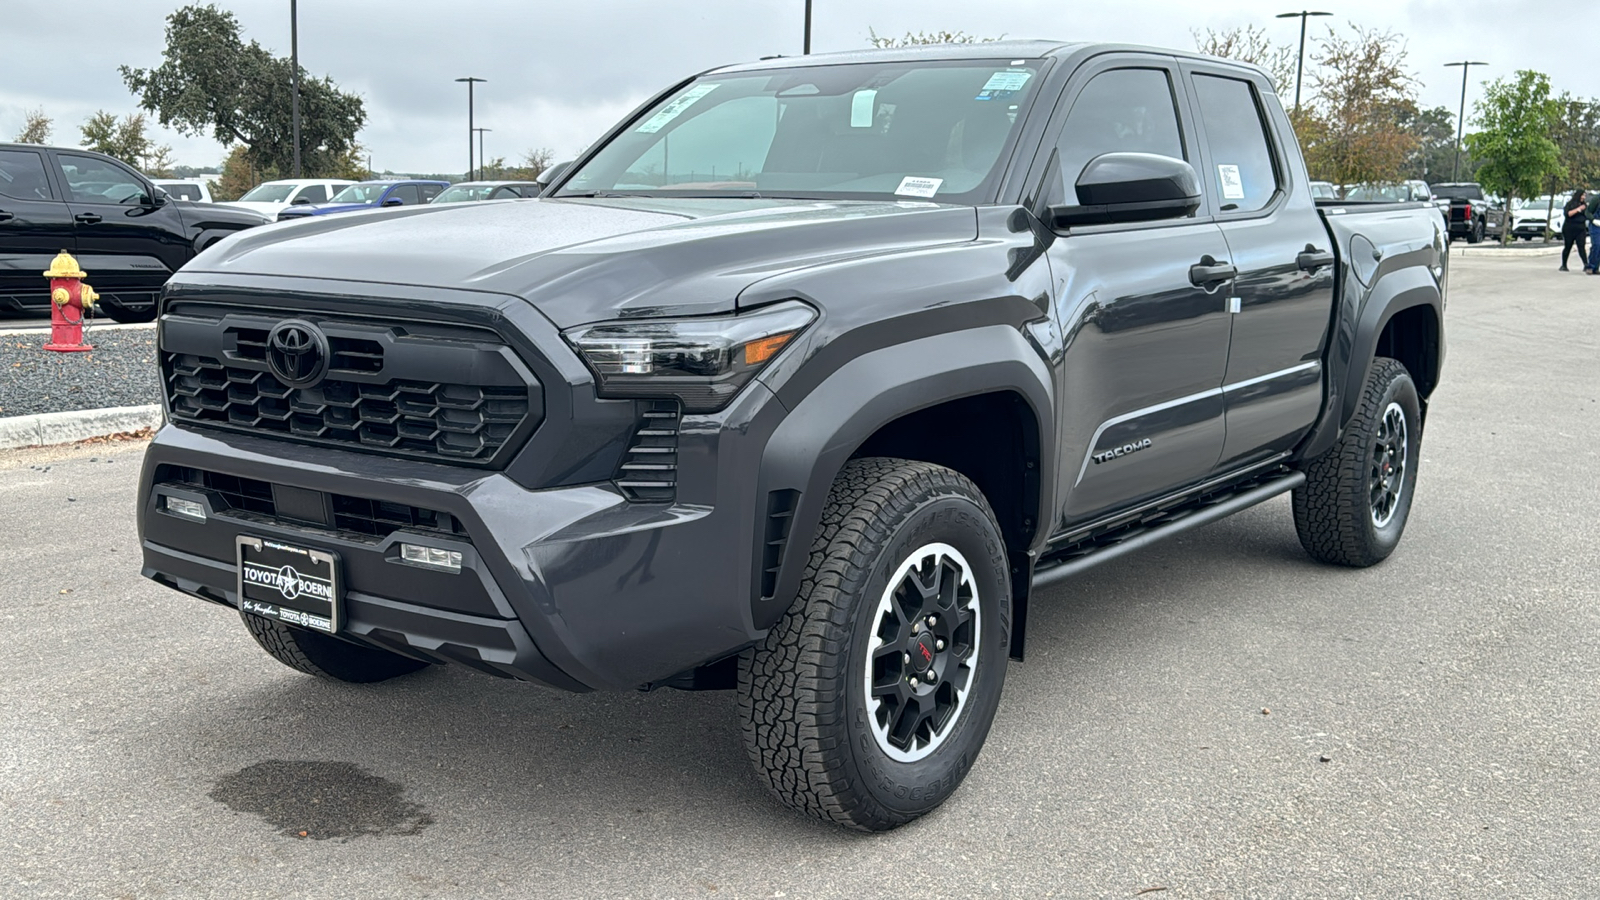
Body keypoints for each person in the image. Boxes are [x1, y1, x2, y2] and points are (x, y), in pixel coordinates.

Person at [1561, 190, 1588, 271]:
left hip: (1580, 229)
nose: (1583, 197)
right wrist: (1578, 209)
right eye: (1582, 195)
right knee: (1568, 247)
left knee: (1581, 247)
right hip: (1569, 228)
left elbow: (1587, 215)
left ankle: (1586, 264)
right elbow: (1568, 214)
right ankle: (1564, 265)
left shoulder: (1584, 205)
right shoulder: (1570, 204)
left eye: (1584, 196)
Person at [1587, 188, 1600, 274]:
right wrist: (1593, 220)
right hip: (1596, 225)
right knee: (1596, 245)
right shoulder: (1596, 199)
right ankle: (1591, 266)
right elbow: (1588, 212)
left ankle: (1596, 267)